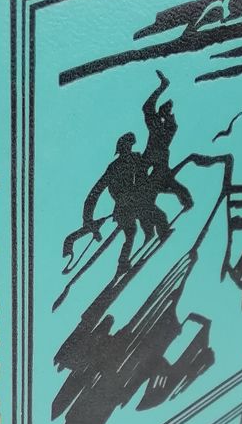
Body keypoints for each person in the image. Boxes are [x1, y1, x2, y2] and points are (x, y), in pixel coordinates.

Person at [81, 131, 169, 272]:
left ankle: (162, 235)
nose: (128, 150)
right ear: (121, 149)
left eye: (130, 146)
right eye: (126, 147)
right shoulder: (113, 168)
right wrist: (88, 219)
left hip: (138, 201)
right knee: (131, 231)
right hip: (123, 207)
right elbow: (95, 193)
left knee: (159, 218)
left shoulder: (136, 158)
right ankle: (122, 263)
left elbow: (150, 164)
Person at [142, 70, 193, 213]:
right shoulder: (161, 124)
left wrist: (163, 87)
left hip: (157, 159)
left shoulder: (165, 126)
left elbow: (148, 108)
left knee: (163, 181)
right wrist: (162, 87)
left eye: (166, 111)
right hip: (154, 158)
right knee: (155, 182)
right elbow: (147, 108)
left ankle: (186, 200)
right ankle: (185, 199)